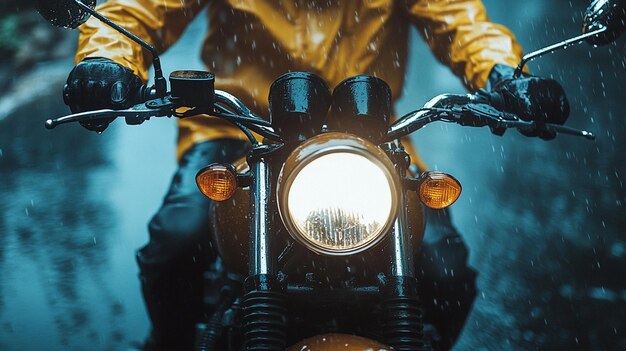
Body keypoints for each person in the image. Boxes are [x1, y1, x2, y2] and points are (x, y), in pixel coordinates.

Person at [64, 1, 569, 350]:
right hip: (240, 129)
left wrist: (505, 75)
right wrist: (108, 59)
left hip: (370, 140)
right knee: (178, 240)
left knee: (445, 269)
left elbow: (459, 21)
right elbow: (138, 10)